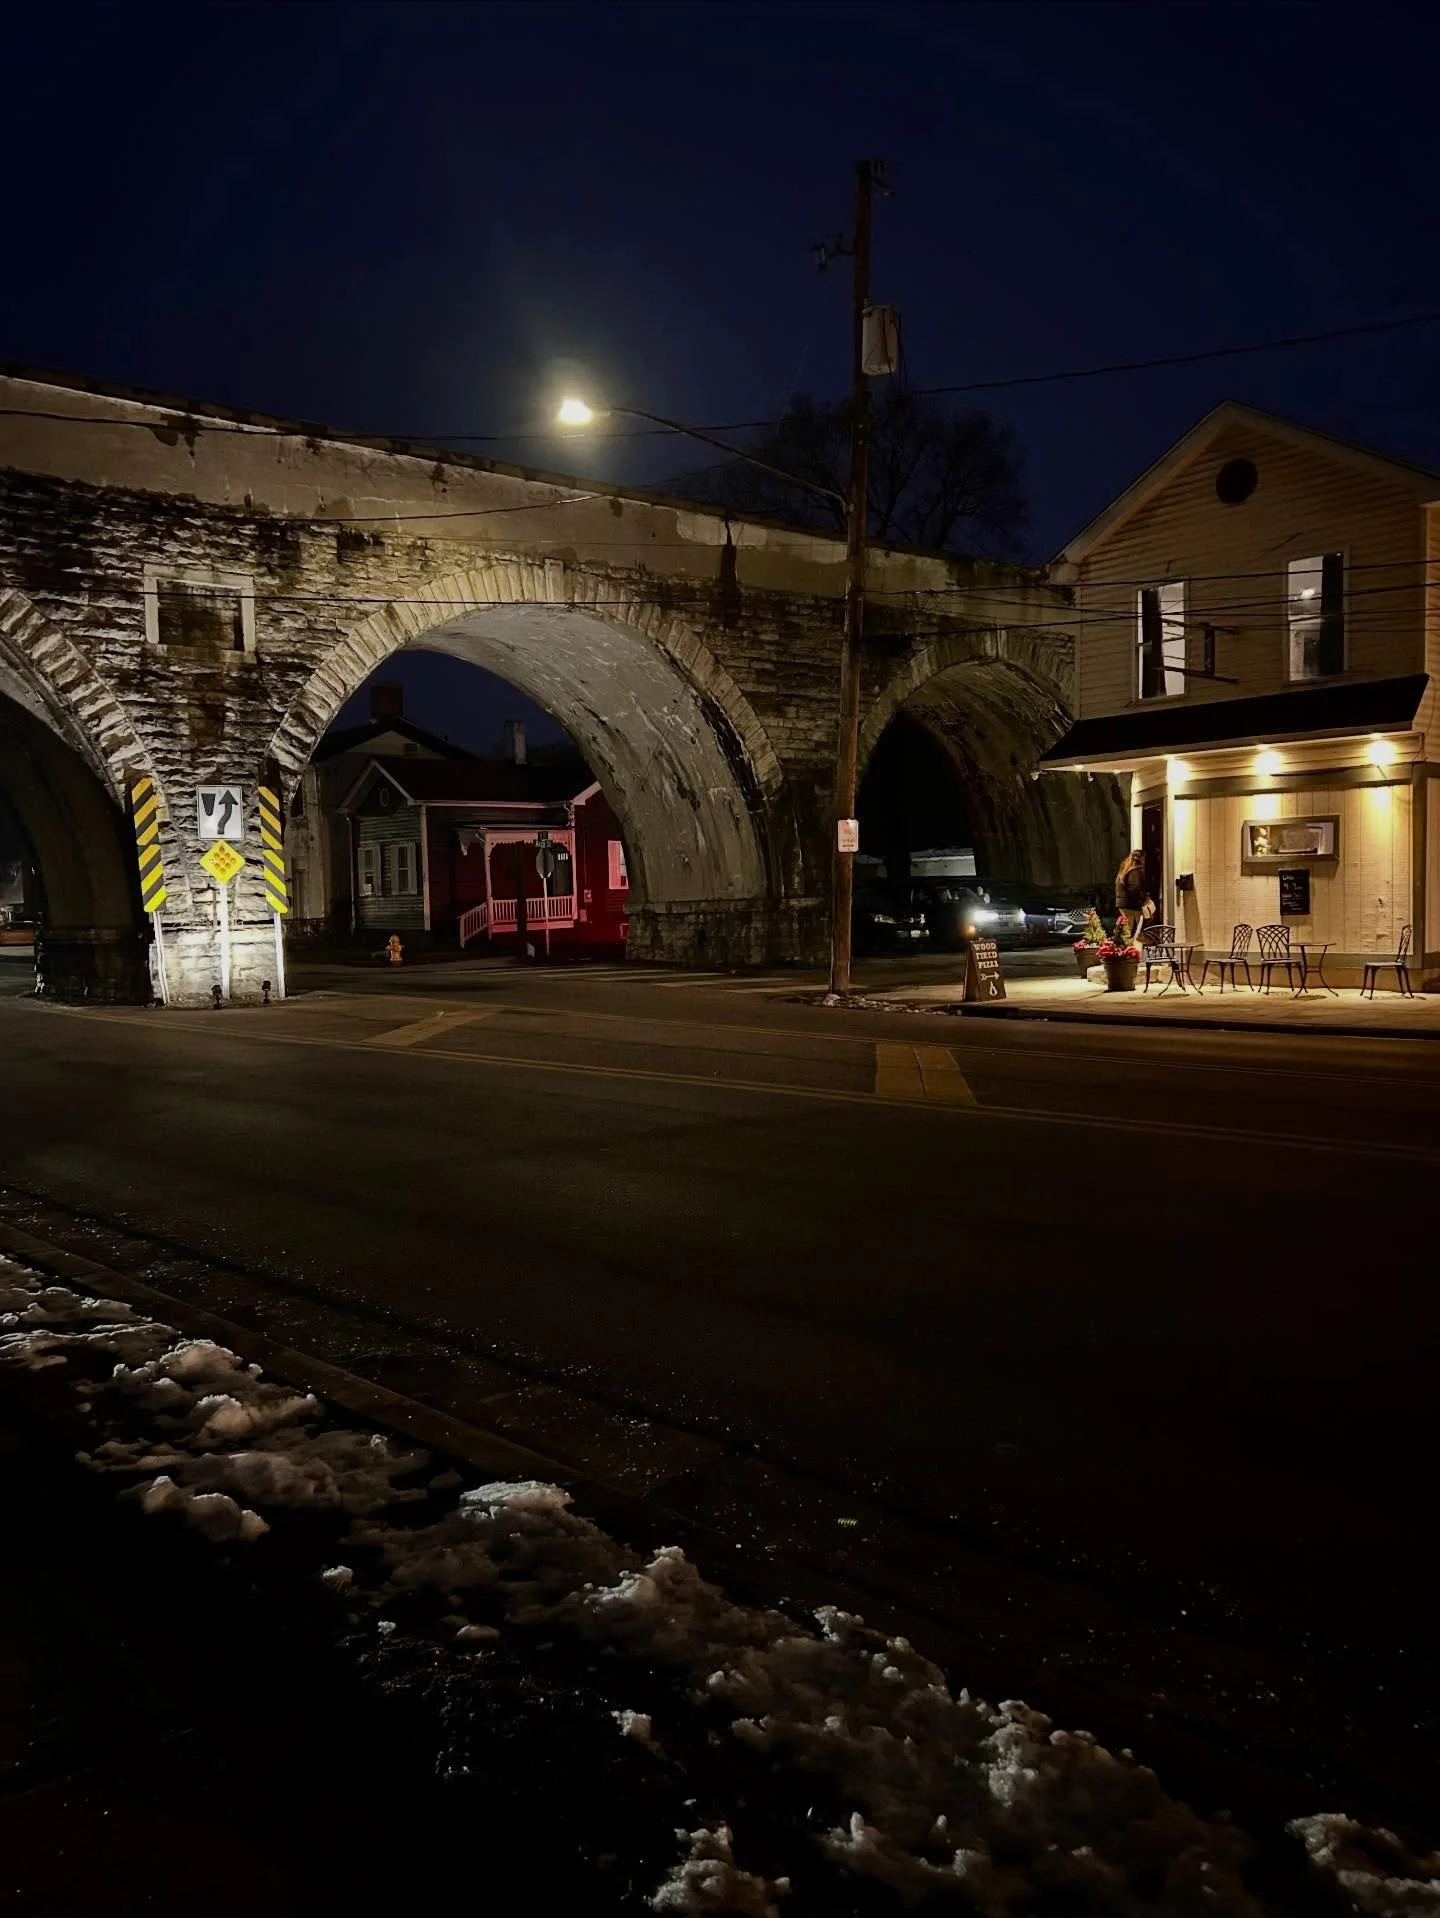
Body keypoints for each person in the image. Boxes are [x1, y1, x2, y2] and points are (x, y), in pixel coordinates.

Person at [1113, 849, 1154, 941]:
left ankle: (1120, 948)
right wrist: (1144, 900)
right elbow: (1134, 888)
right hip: (1131, 905)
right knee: (1131, 931)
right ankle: (1129, 950)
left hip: (1123, 904)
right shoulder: (1135, 871)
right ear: (1142, 859)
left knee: (1125, 929)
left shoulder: (1125, 870)